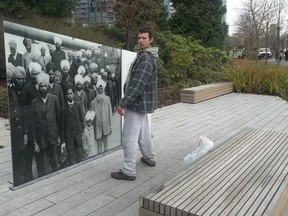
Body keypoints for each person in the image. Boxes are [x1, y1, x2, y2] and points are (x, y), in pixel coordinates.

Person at [111, 27, 158, 181]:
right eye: (139, 38)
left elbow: (137, 85)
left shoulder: (145, 58)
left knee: (129, 137)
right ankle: (149, 157)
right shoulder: (146, 56)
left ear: (151, 39)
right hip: (142, 103)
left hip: (137, 103)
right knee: (144, 132)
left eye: (144, 38)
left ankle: (129, 170)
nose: (141, 41)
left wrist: (123, 103)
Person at [31, 73, 61, 177]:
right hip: (42, 140)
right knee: (45, 169)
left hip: (53, 138)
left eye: (45, 86)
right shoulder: (34, 103)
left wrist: (59, 137)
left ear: (47, 86)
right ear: (38, 87)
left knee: (55, 166)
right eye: (41, 86)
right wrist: (35, 142)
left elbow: (59, 119)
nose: (43, 88)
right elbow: (33, 125)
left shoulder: (54, 99)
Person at [8, 65, 27, 186]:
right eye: (17, 79)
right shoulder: (12, 93)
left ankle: (21, 181)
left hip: (20, 132)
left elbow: (22, 114)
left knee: (21, 160)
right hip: (14, 133)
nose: (20, 81)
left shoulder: (18, 93)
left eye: (22, 79)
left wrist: (25, 132)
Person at [60, 87, 85, 165]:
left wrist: (81, 131)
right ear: (66, 96)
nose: (70, 95)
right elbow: (62, 127)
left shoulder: (78, 105)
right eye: (68, 94)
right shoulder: (63, 109)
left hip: (78, 137)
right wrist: (63, 141)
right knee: (71, 161)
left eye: (71, 93)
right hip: (69, 139)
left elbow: (82, 120)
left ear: (73, 94)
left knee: (79, 159)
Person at [90, 85, 112, 154]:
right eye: (98, 89)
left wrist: (110, 126)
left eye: (101, 89)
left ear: (103, 89)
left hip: (105, 126)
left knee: (106, 145)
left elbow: (109, 113)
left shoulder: (107, 99)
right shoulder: (93, 102)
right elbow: (92, 118)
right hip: (97, 128)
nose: (100, 91)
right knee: (99, 146)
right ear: (96, 90)